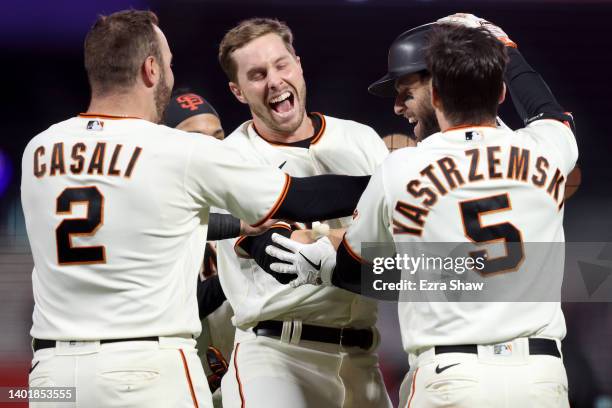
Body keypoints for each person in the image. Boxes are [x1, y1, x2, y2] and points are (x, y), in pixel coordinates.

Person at [21, 10, 374, 408]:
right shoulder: (176, 151)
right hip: (146, 367)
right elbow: (301, 199)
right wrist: (389, 182)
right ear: (152, 69)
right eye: (169, 64)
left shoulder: (40, 149)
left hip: (52, 374)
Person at [265, 19, 577, 407]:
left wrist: (324, 266)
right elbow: (547, 110)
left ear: (439, 95)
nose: (398, 106)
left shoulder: (401, 168)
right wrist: (504, 47)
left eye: (405, 92)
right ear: (500, 91)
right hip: (540, 378)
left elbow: (352, 266)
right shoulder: (549, 149)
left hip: (453, 378)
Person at [215, 17, 392, 408]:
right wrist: (383, 195)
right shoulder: (229, 159)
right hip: (277, 357)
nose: (274, 81)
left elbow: (401, 243)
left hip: (363, 359)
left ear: (298, 63)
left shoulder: (359, 138)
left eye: (281, 65)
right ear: (238, 91)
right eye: (257, 74)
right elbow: (281, 254)